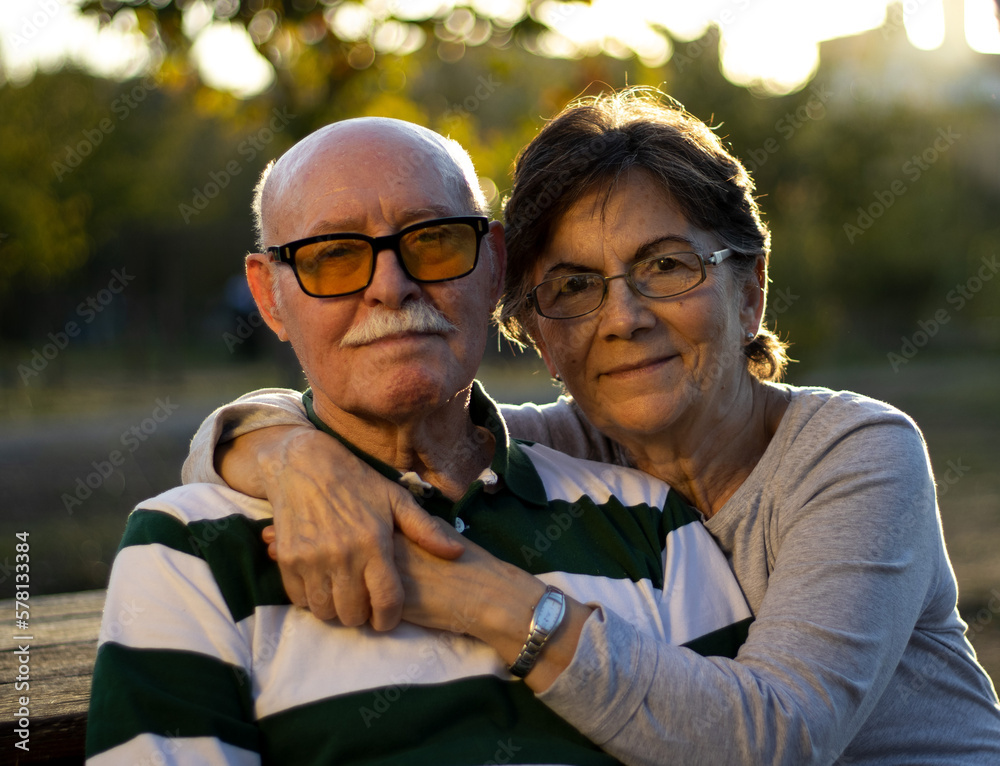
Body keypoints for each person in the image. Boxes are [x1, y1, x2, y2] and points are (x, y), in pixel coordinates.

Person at [183, 89, 1000, 764]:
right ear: (535, 331)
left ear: (749, 291)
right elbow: (271, 444)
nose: (624, 317)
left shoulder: (853, 454)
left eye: (666, 265)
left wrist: (478, 595)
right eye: (573, 286)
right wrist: (291, 458)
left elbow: (777, 738)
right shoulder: (554, 456)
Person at [85, 115, 754, 765]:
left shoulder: (648, 520)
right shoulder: (189, 551)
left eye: (433, 241)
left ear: (493, 268)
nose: (391, 286)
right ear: (269, 298)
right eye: (334, 255)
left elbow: (742, 742)